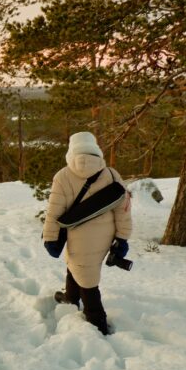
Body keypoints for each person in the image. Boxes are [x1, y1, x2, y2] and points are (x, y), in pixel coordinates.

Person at [41, 131, 132, 335]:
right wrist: (122, 237)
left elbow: (53, 211)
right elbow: (123, 209)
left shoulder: (63, 176)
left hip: (79, 237)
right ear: (95, 149)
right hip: (105, 236)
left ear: (71, 151)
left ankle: (97, 321)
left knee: (87, 277)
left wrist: (50, 238)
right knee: (76, 264)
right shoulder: (110, 174)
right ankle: (71, 298)